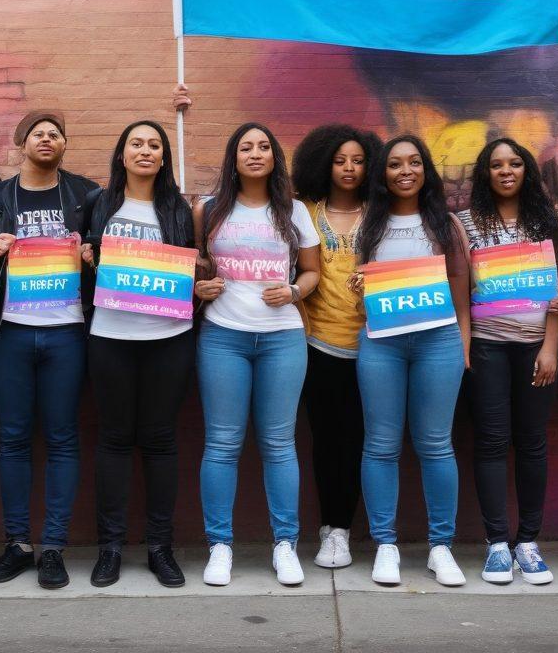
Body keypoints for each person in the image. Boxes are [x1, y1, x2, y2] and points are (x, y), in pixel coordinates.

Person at [0, 111, 98, 589]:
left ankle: (55, 548)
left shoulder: (87, 194)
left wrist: (91, 254)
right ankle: (19, 544)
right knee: (14, 438)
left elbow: (108, 253)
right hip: (9, 332)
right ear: (21, 143)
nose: (47, 139)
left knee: (63, 437)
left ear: (65, 144)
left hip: (68, 330)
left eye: (56, 134)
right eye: (38, 133)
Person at [193, 123, 320, 587]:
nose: (255, 153)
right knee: (223, 444)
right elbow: (194, 268)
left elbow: (312, 274)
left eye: (264, 146)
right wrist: (199, 287)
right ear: (234, 157)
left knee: (278, 444)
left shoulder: (295, 211)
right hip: (223, 336)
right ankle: (220, 545)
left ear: (274, 157)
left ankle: (284, 545)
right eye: (245, 147)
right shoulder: (208, 209)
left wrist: (292, 291)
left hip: (282, 339)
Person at [456, 138, 558, 585]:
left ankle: (528, 542)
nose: (506, 171)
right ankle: (496, 544)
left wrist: (551, 347)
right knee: (491, 441)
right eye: (496, 165)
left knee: (532, 442)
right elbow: (458, 287)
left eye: (515, 163)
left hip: (536, 346)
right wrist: (467, 344)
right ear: (485, 173)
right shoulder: (466, 223)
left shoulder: (547, 220)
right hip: (488, 346)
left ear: (527, 171)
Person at [351, 135, 471, 588]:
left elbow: (461, 286)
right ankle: (386, 545)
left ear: (426, 170)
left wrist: (464, 341)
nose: (406, 171)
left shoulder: (447, 225)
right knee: (380, 444)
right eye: (395, 164)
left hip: (438, 342)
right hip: (381, 343)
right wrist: (359, 288)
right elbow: (362, 293)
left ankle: (441, 547)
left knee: (436, 443)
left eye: (415, 162)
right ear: (382, 172)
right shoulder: (368, 224)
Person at [82, 120, 194, 588]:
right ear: (122, 154)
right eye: (136, 144)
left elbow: (192, 263)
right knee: (113, 439)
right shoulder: (98, 204)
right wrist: (85, 256)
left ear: (164, 157)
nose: (145, 151)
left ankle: (159, 547)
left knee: (160, 440)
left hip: (168, 337)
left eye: (154, 145)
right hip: (110, 336)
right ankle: (109, 548)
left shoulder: (178, 209)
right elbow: (78, 260)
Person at [290, 124, 382, 569]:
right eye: (340, 159)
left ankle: (344, 527)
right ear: (323, 163)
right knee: (327, 441)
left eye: (358, 160)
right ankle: (333, 528)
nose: (349, 168)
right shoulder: (304, 211)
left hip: (376, 345)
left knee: (364, 440)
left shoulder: (383, 212)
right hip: (318, 345)